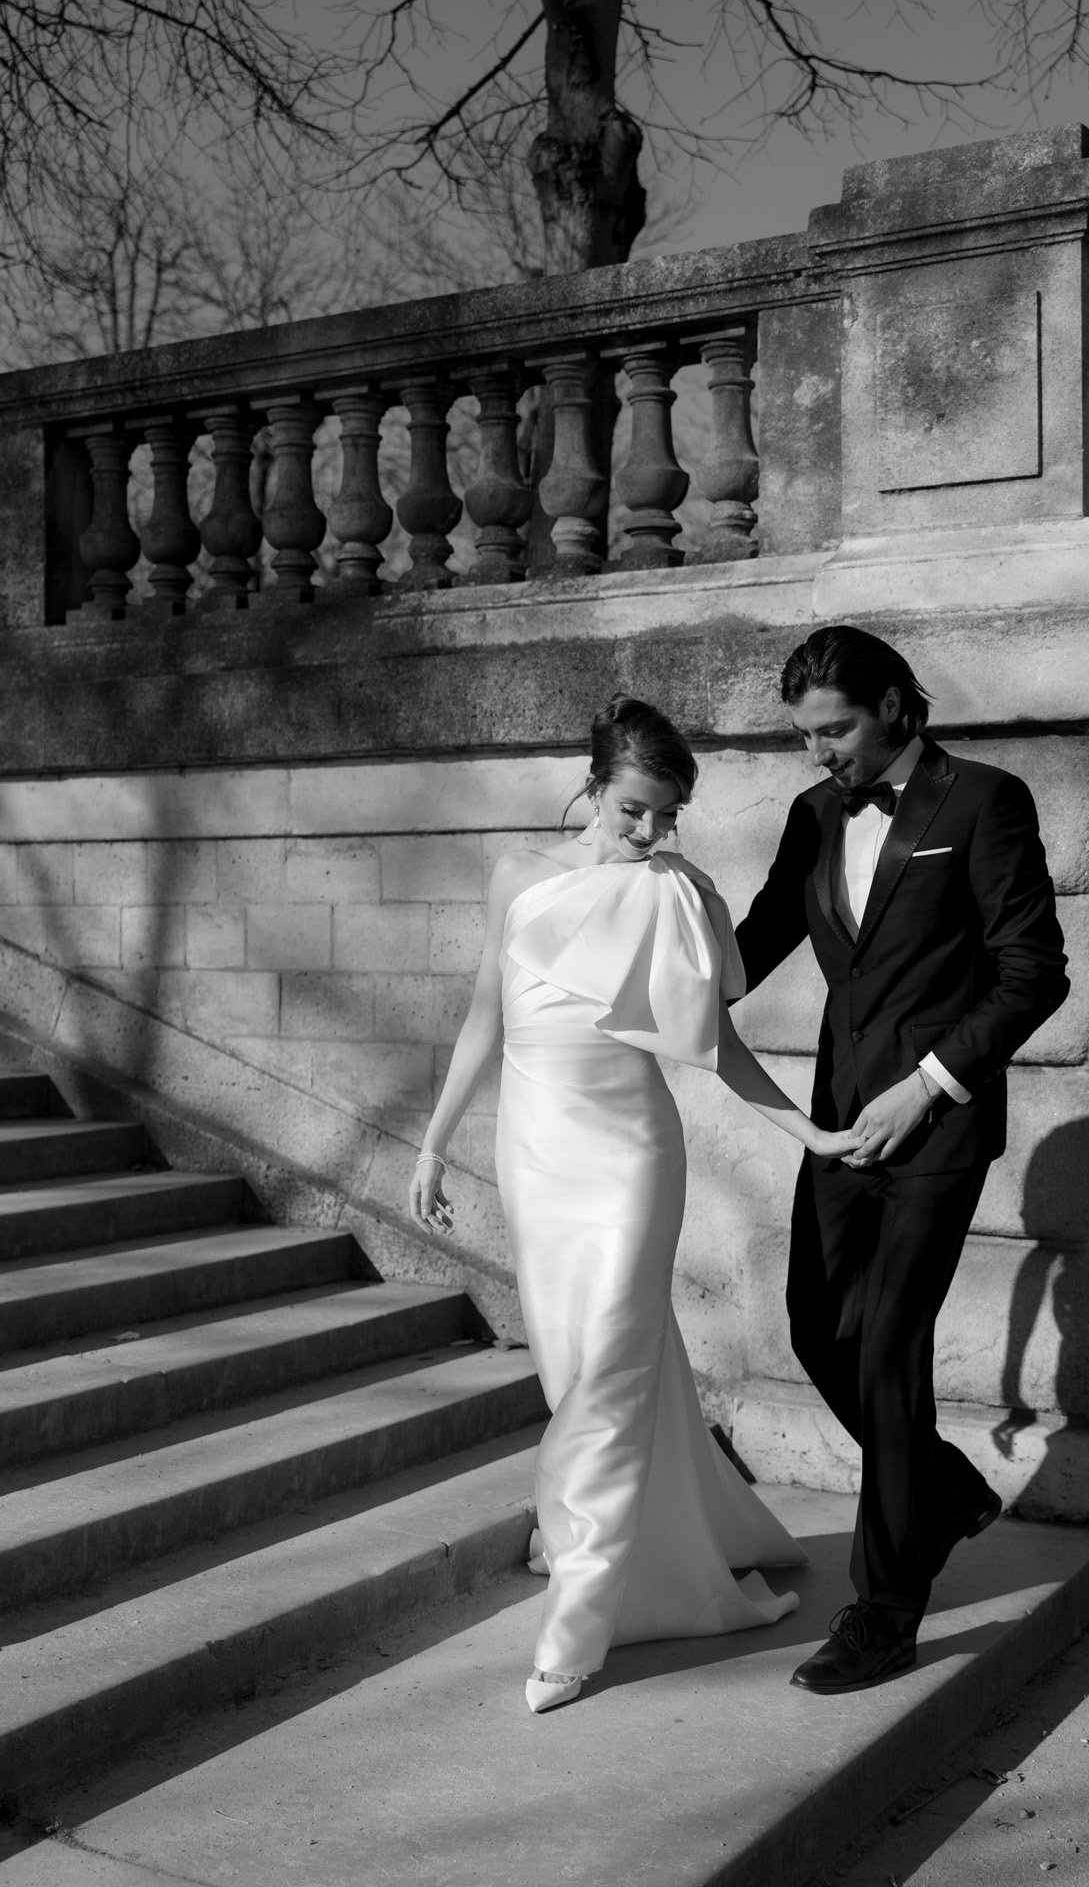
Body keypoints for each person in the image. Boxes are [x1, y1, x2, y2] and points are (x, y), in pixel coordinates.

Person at [409, 695, 858, 1714]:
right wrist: (435, 1140)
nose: (651, 834)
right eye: (634, 811)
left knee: (609, 1362)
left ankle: (582, 1609)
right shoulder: (517, 875)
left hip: (630, 1156)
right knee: (579, 1363)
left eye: (667, 816)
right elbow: (488, 1007)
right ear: (593, 784)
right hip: (534, 1148)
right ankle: (641, 1537)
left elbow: (716, 1044)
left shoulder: (676, 893)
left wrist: (809, 1128)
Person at [734, 625, 1069, 1695]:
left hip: (935, 1123)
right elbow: (753, 942)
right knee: (814, 1324)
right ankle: (942, 1488)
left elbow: (1033, 972)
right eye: (805, 735)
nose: (817, 751)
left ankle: (883, 1610)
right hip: (838, 1120)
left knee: (887, 1349)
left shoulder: (983, 798)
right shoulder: (815, 812)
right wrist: (630, 931)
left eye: (833, 729)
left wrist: (927, 1081)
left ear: (892, 704)